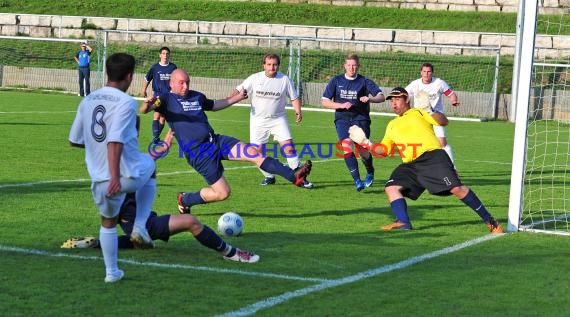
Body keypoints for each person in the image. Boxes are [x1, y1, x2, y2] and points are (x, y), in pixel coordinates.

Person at [140, 69, 312, 215]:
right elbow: (147, 108)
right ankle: (185, 199)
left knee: (255, 154)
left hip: (216, 141)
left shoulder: (197, 97)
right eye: (181, 83)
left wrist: (237, 98)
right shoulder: (165, 99)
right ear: (171, 83)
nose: (185, 86)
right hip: (199, 153)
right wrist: (147, 105)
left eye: (187, 82)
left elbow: (215, 105)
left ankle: (294, 176)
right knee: (223, 193)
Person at [348, 87, 503, 233]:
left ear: (407, 99)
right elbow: (384, 150)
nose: (393, 102)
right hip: (410, 165)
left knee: (457, 189)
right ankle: (403, 222)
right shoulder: (392, 125)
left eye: (397, 98)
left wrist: (429, 110)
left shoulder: (419, 112)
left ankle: (490, 221)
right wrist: (365, 142)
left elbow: (443, 121)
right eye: (391, 100)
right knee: (391, 187)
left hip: (432, 157)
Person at [69, 53, 156, 283]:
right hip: (123, 175)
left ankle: (111, 273)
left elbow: (74, 140)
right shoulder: (126, 102)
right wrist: (116, 175)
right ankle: (139, 226)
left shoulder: (88, 100)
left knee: (107, 222)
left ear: (108, 72)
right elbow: (115, 140)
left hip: (98, 179)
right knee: (151, 164)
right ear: (129, 76)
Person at [232, 53, 312, 188]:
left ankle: (300, 176)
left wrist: (298, 111)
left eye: (274, 64)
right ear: (264, 65)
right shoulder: (255, 78)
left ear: (278, 66)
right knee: (256, 153)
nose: (271, 67)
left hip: (278, 119)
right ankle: (269, 176)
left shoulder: (284, 79)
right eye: (269, 64)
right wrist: (231, 99)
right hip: (258, 121)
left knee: (288, 147)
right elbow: (239, 90)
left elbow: (294, 97)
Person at [321, 53, 385, 192]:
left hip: (361, 118)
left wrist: (370, 99)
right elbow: (325, 101)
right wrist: (341, 105)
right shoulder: (336, 80)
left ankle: (370, 171)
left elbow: (381, 96)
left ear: (358, 66)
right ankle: (357, 180)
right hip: (342, 119)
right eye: (349, 65)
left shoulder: (364, 81)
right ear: (344, 66)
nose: (351, 68)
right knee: (346, 146)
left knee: (362, 150)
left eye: (354, 65)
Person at [405, 62, 460, 164]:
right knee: (416, 142)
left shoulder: (439, 83)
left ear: (432, 73)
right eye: (424, 71)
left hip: (436, 116)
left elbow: (451, 94)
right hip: (420, 117)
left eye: (429, 71)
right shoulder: (415, 84)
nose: (426, 74)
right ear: (421, 72)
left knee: (442, 143)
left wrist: (454, 100)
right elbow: (404, 95)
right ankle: (416, 167)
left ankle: (453, 168)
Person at [141, 46, 177, 142]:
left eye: (167, 53)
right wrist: (144, 89)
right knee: (156, 115)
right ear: (160, 55)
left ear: (169, 55)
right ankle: (156, 137)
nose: (165, 55)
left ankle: (156, 137)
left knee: (162, 118)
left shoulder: (173, 67)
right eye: (163, 53)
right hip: (157, 96)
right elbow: (147, 78)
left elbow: (176, 80)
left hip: (169, 97)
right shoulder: (155, 67)